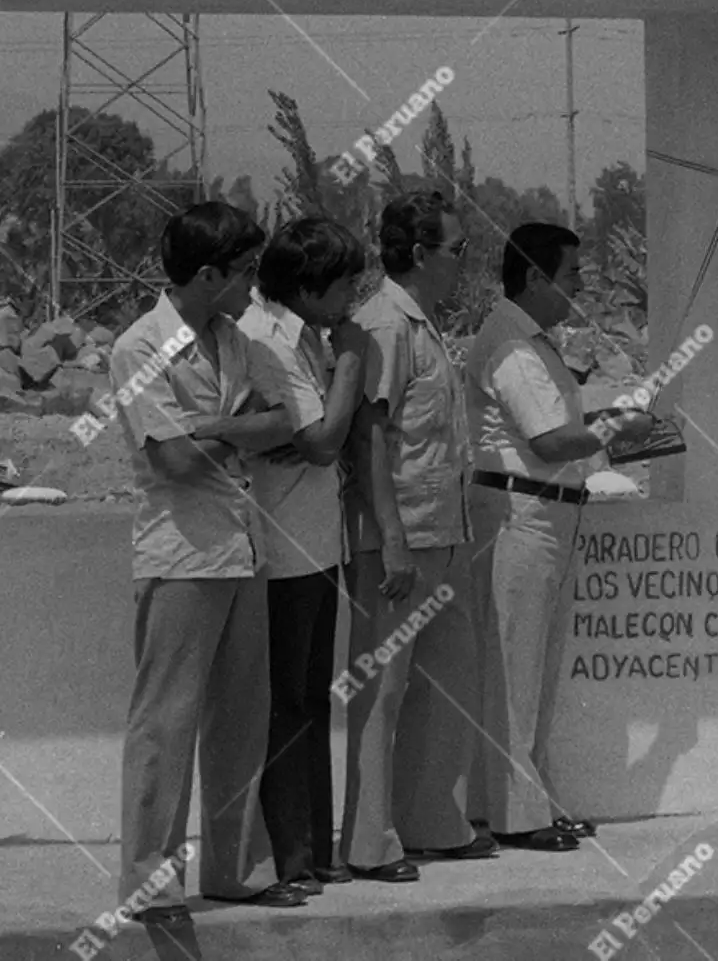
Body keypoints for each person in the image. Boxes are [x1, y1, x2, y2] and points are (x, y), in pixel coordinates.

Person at [114, 202, 310, 925]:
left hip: (240, 547)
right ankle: (149, 882)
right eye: (243, 272)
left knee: (240, 719)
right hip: (182, 553)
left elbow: (284, 418)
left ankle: (234, 869)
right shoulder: (139, 349)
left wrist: (214, 428)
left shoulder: (233, 339)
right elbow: (171, 459)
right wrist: (240, 431)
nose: (253, 286)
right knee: (166, 723)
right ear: (206, 275)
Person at [465, 224, 653, 851]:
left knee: (536, 672)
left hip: (548, 514)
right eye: (572, 275)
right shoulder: (513, 347)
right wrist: (620, 428)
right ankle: (517, 817)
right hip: (521, 517)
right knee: (517, 673)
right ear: (536, 279)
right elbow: (548, 442)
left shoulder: (534, 343)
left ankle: (532, 801)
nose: (580, 287)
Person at [340, 190, 491, 880]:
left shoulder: (424, 324)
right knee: (386, 690)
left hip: (442, 531)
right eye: (456, 251)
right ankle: (371, 844)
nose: (463, 263)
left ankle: (433, 821)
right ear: (420, 253)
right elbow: (370, 433)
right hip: (400, 539)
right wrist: (391, 539)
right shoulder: (384, 326)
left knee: (443, 682)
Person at [240, 216, 370, 893]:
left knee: (313, 701)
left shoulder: (303, 336)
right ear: (309, 284)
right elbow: (319, 440)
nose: (354, 291)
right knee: (287, 703)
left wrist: (321, 430)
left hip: (317, 539)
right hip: (282, 545)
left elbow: (320, 437)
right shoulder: (270, 341)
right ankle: (289, 857)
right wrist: (350, 365)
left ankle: (316, 850)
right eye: (346, 280)